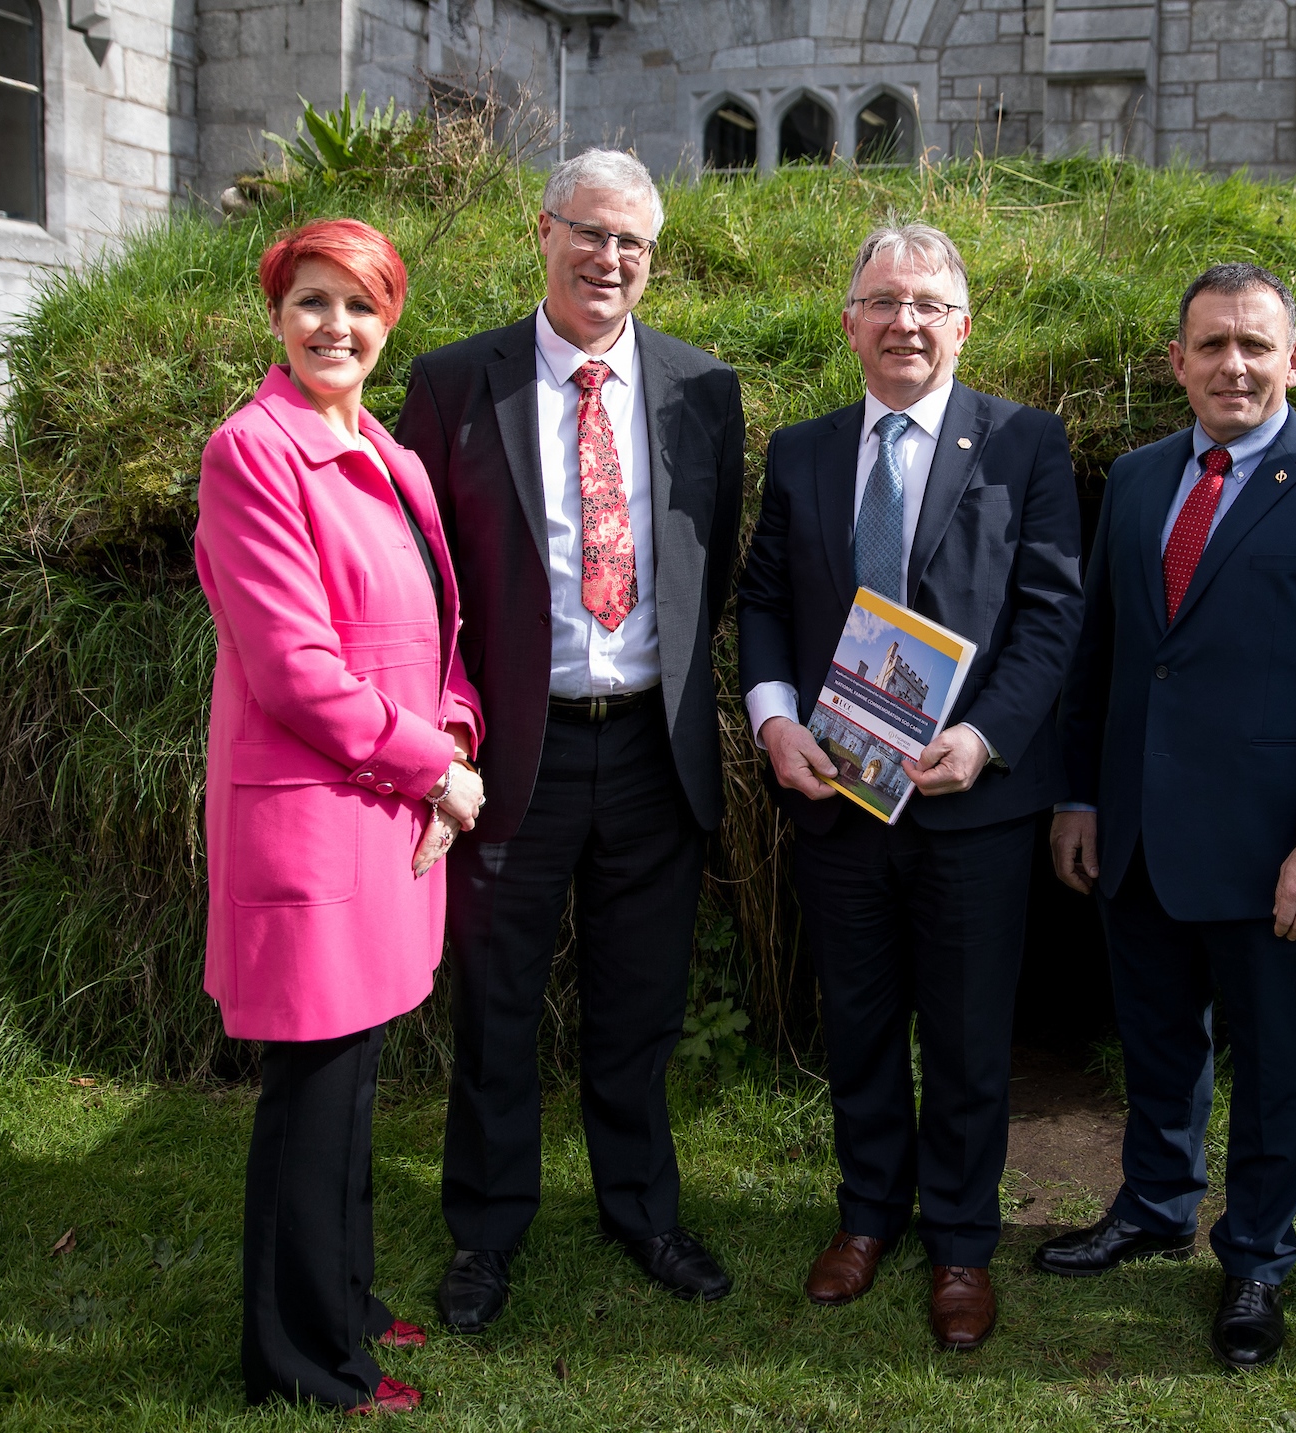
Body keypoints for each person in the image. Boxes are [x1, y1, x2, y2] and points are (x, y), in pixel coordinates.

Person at [1044, 263, 1296, 1371]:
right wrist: (1079, 791)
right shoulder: (1135, 476)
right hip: (1138, 832)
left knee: (1272, 1062)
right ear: (1178, 361)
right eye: (1211, 345)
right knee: (1157, 1035)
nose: (1234, 364)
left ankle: (1255, 1254)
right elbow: (1104, 654)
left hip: (1274, 848)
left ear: (1293, 359)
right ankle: (1156, 1202)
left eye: (1256, 344)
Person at [394, 149, 746, 1331]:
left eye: (632, 244)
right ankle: (486, 1231)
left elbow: (713, 564)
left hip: (652, 746)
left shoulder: (706, 390)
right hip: (511, 755)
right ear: (542, 233)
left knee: (639, 1000)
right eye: (589, 234)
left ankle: (641, 1208)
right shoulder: (453, 385)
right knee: (495, 1001)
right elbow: (416, 583)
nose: (609, 260)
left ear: (654, 258)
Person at [736, 224, 1082, 1350]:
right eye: (883, 301)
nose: (905, 322)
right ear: (849, 324)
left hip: (970, 801)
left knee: (972, 1031)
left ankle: (965, 1242)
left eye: (929, 304)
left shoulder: (1025, 443)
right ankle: (866, 1214)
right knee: (863, 1018)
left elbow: (1050, 614)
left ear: (963, 325)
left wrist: (985, 736)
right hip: (837, 791)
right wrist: (774, 717)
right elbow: (764, 603)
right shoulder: (801, 449)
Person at [195, 218, 486, 1413]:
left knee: (357, 1080)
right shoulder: (249, 452)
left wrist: (455, 736)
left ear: (389, 323)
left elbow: (440, 631)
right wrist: (436, 768)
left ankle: (348, 1299)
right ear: (277, 314)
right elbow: (296, 667)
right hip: (319, 813)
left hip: (392, 802)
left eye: (360, 306)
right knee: (313, 1093)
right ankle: (303, 1360)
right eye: (312, 301)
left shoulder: (388, 451)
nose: (336, 326)